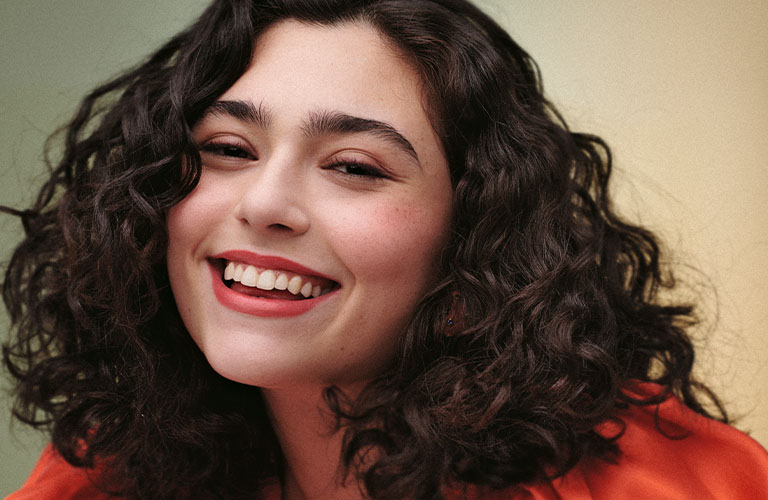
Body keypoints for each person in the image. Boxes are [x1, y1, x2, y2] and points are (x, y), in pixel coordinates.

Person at [2, 0, 767, 499]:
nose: (263, 204)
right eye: (229, 148)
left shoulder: (677, 486)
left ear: (476, 236)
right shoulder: (98, 478)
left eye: (354, 166)